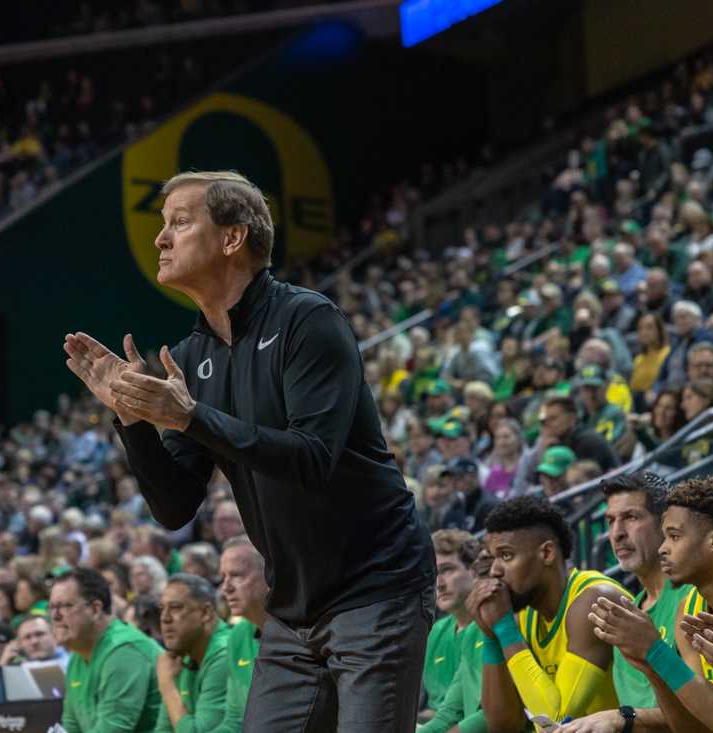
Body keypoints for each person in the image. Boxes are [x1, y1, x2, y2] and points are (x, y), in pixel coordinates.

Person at [64, 170, 435, 732]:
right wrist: (132, 417)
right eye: (163, 226)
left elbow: (311, 460)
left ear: (232, 238)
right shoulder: (190, 356)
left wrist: (189, 416)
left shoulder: (308, 320)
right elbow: (174, 506)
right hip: (291, 607)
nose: (161, 239)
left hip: (376, 586)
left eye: (180, 223)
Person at [588, 477, 713, 733]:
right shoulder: (688, 608)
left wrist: (656, 651)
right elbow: (694, 727)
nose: (662, 549)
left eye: (674, 536)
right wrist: (651, 664)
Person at [468, 496, 630, 732]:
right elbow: (503, 726)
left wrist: (505, 629)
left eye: (506, 555)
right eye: (491, 557)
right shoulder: (528, 613)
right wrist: (492, 635)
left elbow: (557, 720)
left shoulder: (594, 601)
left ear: (546, 553)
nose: (494, 570)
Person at [561, 472, 689, 733]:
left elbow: (707, 713)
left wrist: (623, 718)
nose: (617, 533)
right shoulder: (624, 613)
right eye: (610, 521)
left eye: (631, 517)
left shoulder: (691, 597)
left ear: (666, 524)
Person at [52, 568, 163, 733]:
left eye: (65, 606)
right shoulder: (78, 656)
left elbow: (113, 729)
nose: (55, 616)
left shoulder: (124, 650)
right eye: (52, 607)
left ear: (95, 609)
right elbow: (71, 727)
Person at [155, 574, 232, 732]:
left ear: (205, 613)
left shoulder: (224, 654)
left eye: (175, 607)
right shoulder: (182, 652)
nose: (165, 618)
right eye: (162, 608)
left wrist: (167, 686)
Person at [419, 530, 481, 723]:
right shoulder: (435, 632)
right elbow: (438, 710)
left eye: (447, 570)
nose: (439, 584)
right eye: (433, 573)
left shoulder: (490, 627)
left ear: (474, 570)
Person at [214, 536, 268, 733]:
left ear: (269, 574)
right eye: (223, 577)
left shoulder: (302, 632)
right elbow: (235, 718)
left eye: (236, 575)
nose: (225, 588)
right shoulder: (237, 636)